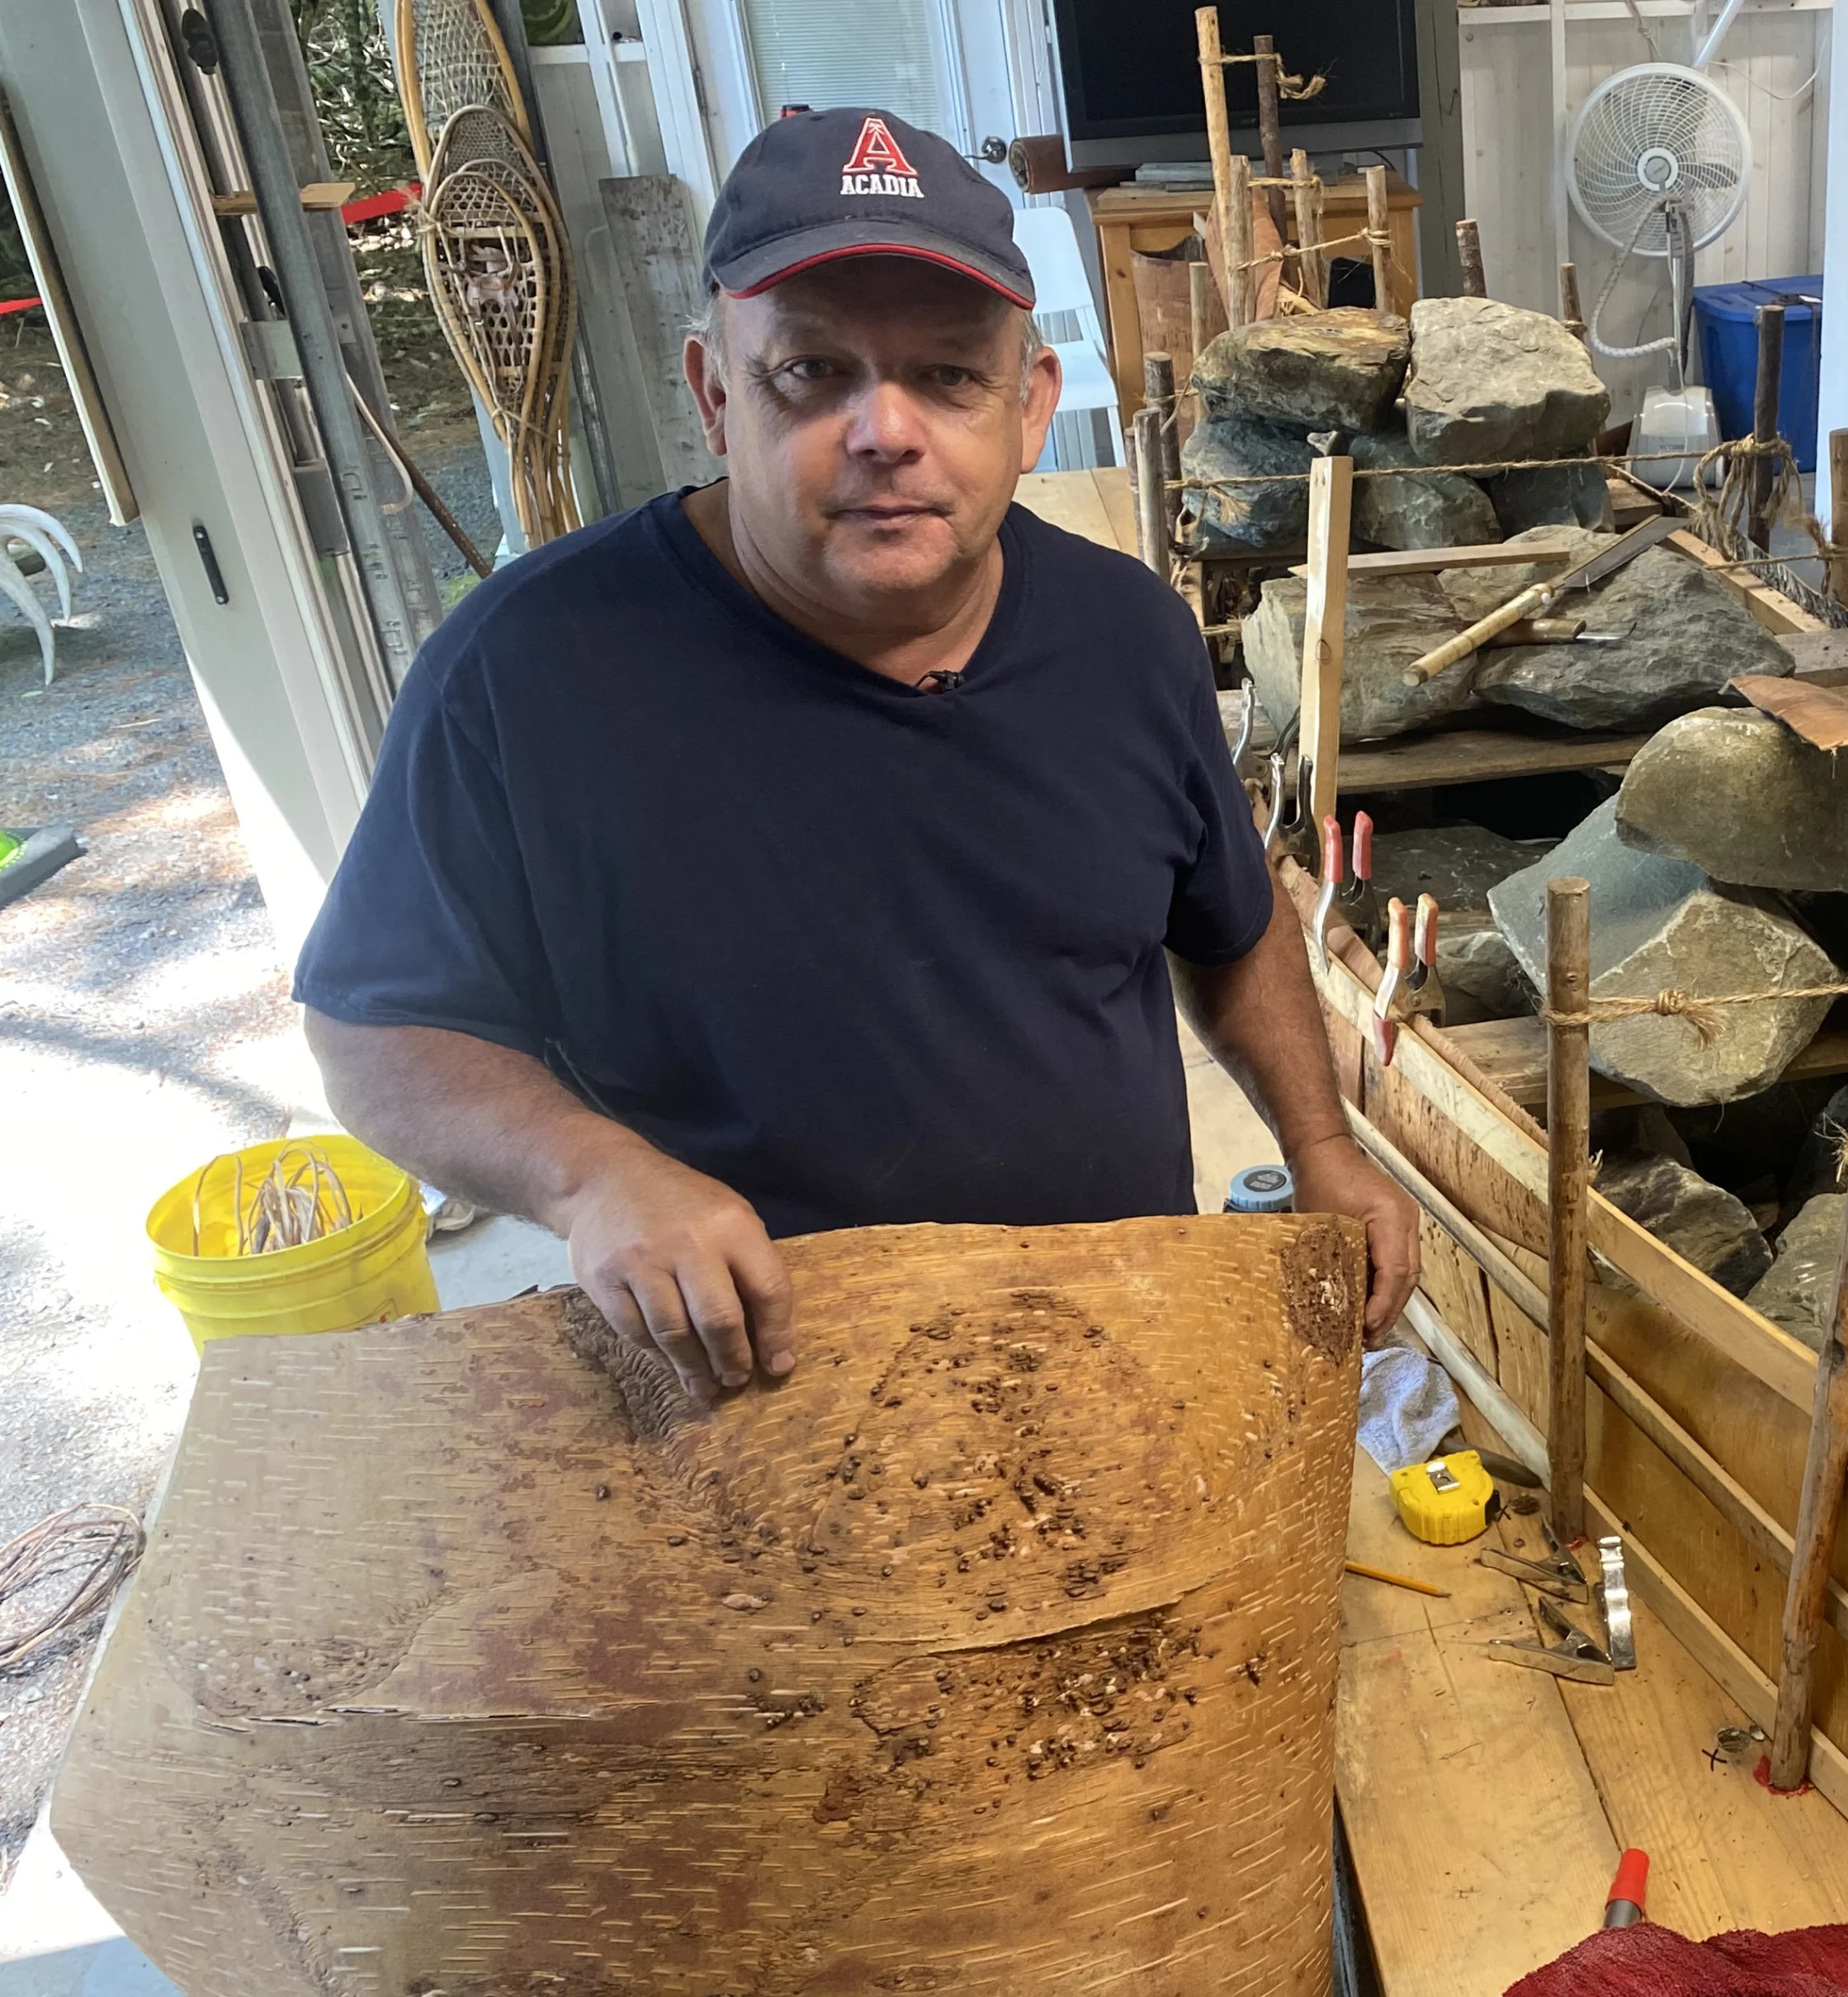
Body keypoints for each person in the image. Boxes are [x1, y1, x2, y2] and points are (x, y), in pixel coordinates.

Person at [295, 106, 1414, 1399]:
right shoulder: (522, 674)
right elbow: (374, 1029)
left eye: (947, 375)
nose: (887, 429)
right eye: (813, 374)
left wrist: (1320, 1143)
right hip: (758, 1397)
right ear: (716, 391)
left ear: (1030, 403)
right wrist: (592, 1175)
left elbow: (1231, 924)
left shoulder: (1129, 636)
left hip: (1113, 1345)